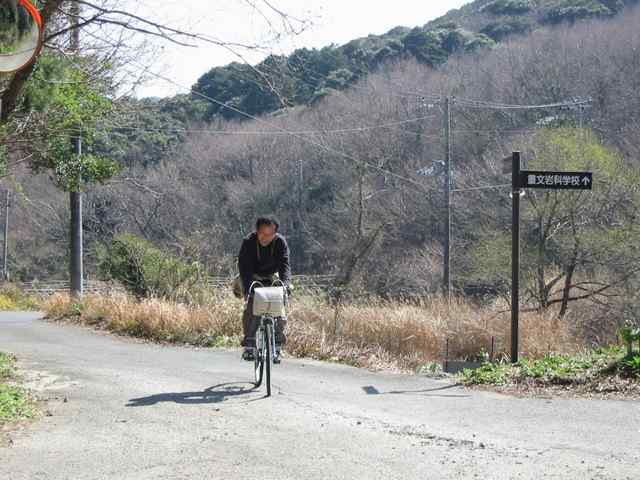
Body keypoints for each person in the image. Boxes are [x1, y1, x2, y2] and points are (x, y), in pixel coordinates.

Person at [237, 217, 291, 362]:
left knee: (280, 305)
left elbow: (284, 266)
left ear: (275, 233)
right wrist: (248, 288)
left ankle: (277, 344)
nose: (265, 238)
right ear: (257, 231)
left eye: (269, 234)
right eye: (262, 233)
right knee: (252, 305)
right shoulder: (248, 242)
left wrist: (286, 285)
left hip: (273, 275)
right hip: (252, 275)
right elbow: (244, 268)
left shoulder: (280, 242)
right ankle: (249, 344)